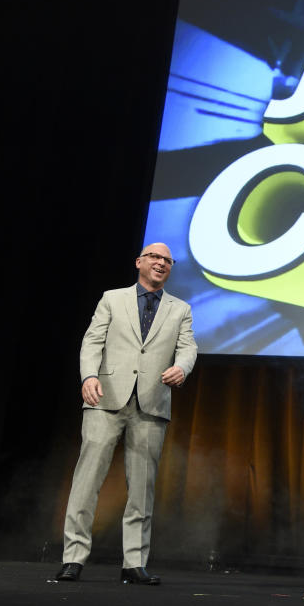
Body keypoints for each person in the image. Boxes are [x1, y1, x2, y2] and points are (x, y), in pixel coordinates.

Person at [54, 242, 197, 585]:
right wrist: (88, 375)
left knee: (142, 488)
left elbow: (188, 346)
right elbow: (92, 341)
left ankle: (134, 563)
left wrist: (181, 368)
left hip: (151, 404)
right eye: (155, 257)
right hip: (106, 399)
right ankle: (73, 557)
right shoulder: (112, 298)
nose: (161, 263)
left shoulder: (180, 309)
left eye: (167, 260)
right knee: (87, 480)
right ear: (139, 262)